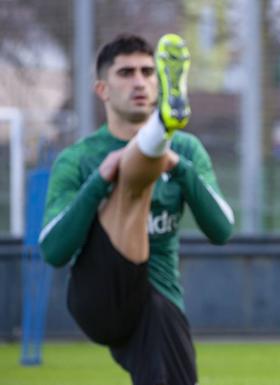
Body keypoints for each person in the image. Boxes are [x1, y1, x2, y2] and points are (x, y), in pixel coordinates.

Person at [39, 33, 235, 385]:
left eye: (148, 72)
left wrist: (178, 167)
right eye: (126, 73)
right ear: (102, 90)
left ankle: (158, 138)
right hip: (100, 294)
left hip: (158, 295)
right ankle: (160, 128)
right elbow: (53, 250)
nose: (140, 82)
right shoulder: (79, 158)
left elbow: (221, 230)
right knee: (131, 182)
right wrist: (99, 181)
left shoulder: (187, 150)